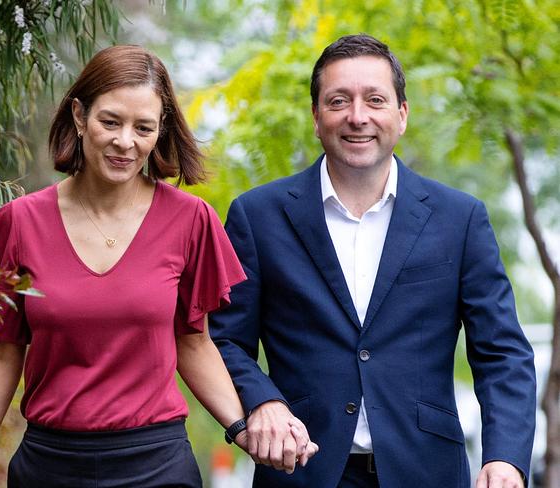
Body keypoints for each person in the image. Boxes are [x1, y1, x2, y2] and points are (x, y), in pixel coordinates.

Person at [0, 45, 316, 488]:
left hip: (157, 466)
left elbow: (194, 345)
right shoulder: (19, 224)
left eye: (144, 127)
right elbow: (3, 351)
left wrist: (248, 427)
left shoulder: (190, 220)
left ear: (160, 131)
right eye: (111, 122)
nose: (126, 142)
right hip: (49, 465)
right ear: (80, 115)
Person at [209, 34, 536, 487]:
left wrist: (505, 458)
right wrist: (263, 401)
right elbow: (222, 340)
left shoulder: (460, 219)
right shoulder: (257, 216)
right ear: (316, 116)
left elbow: (501, 353)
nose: (357, 116)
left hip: (427, 473)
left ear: (401, 115)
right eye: (338, 100)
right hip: (301, 471)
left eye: (375, 100)